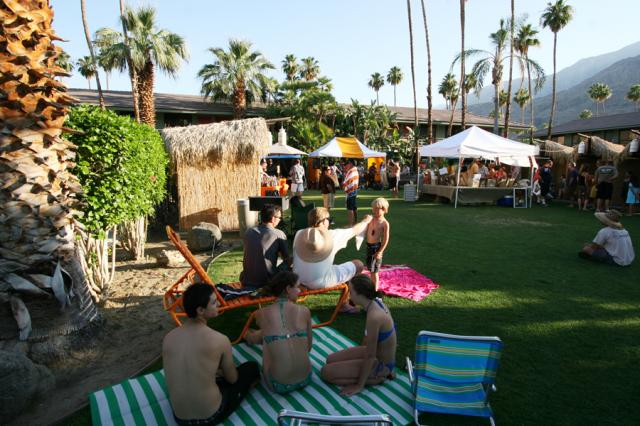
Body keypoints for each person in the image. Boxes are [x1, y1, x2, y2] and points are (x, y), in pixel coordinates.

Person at [163, 283, 260, 425]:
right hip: (210, 417)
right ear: (200, 310)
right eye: (214, 302)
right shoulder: (219, 340)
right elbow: (232, 379)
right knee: (251, 368)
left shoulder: (169, 338)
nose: (219, 304)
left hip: (180, 418)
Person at [320, 274, 396, 396]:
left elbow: (370, 356)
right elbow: (390, 338)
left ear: (360, 294)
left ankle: (380, 376)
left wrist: (359, 385)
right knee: (330, 359)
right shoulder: (377, 303)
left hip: (380, 364)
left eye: (351, 291)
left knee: (326, 372)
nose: (349, 295)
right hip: (379, 356)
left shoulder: (374, 317)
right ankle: (386, 370)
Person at [292, 207, 372, 313]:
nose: (329, 222)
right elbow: (355, 230)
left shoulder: (299, 233)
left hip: (297, 279)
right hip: (319, 282)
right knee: (358, 265)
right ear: (323, 221)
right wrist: (366, 220)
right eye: (329, 219)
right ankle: (344, 304)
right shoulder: (332, 235)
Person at [245, 271, 313, 394]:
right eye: (297, 287)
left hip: (278, 384)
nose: (300, 291)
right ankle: (250, 336)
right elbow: (308, 347)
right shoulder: (305, 311)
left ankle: (248, 336)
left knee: (269, 338)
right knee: (274, 335)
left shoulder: (260, 314)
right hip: (306, 378)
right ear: (288, 289)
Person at [240, 205, 291, 288]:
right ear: (273, 219)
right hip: (267, 282)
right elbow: (286, 259)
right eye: (279, 218)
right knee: (292, 260)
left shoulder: (249, 232)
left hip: (246, 280)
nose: (280, 220)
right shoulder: (278, 234)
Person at [366, 198, 390, 291]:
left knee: (374, 271)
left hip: (376, 249)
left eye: (376, 209)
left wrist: (380, 251)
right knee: (370, 269)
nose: (374, 211)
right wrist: (365, 219)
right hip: (368, 246)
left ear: (384, 209)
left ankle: (375, 290)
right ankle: (372, 286)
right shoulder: (371, 219)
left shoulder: (384, 223)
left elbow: (385, 239)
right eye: (373, 208)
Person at [342, 159, 360, 226]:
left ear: (351, 163)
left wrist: (343, 185)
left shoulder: (351, 171)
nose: (347, 165)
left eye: (348, 163)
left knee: (350, 208)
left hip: (351, 191)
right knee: (354, 207)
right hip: (354, 190)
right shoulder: (355, 170)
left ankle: (350, 224)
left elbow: (347, 181)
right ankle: (355, 222)